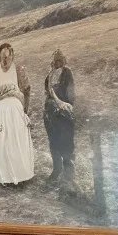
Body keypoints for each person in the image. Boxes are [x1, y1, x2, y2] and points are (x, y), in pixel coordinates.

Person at [0, 43, 35, 185]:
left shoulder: (19, 70)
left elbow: (27, 90)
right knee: (2, 143)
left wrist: (25, 111)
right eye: (3, 57)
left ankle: (21, 175)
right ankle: (4, 177)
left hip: (16, 112)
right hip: (0, 111)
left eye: (8, 57)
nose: (5, 61)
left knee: (18, 141)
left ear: (13, 56)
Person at [43, 48, 75, 180]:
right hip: (50, 114)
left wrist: (64, 105)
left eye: (60, 60)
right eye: (55, 60)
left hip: (64, 113)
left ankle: (68, 172)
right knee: (53, 141)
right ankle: (57, 169)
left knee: (66, 142)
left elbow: (70, 94)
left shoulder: (67, 72)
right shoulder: (49, 76)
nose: (57, 63)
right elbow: (47, 92)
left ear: (64, 60)